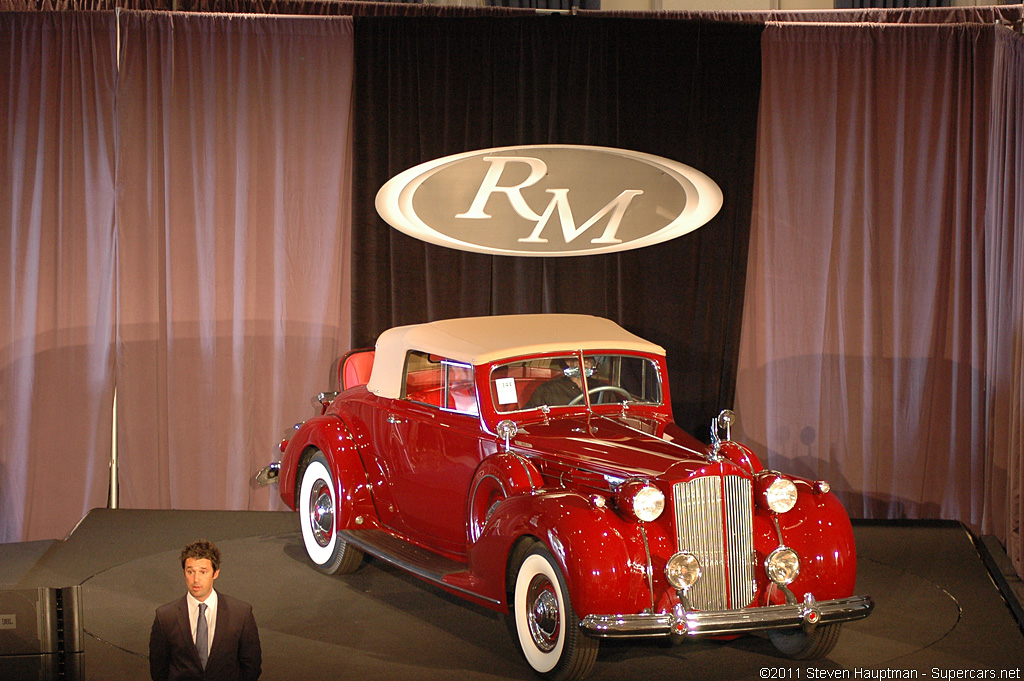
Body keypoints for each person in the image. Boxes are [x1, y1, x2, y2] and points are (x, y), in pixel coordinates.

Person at [150, 540, 262, 681]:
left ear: (215, 573)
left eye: (203, 572)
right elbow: (158, 668)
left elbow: (251, 665)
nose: (196, 579)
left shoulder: (240, 613)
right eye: (190, 572)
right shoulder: (165, 616)